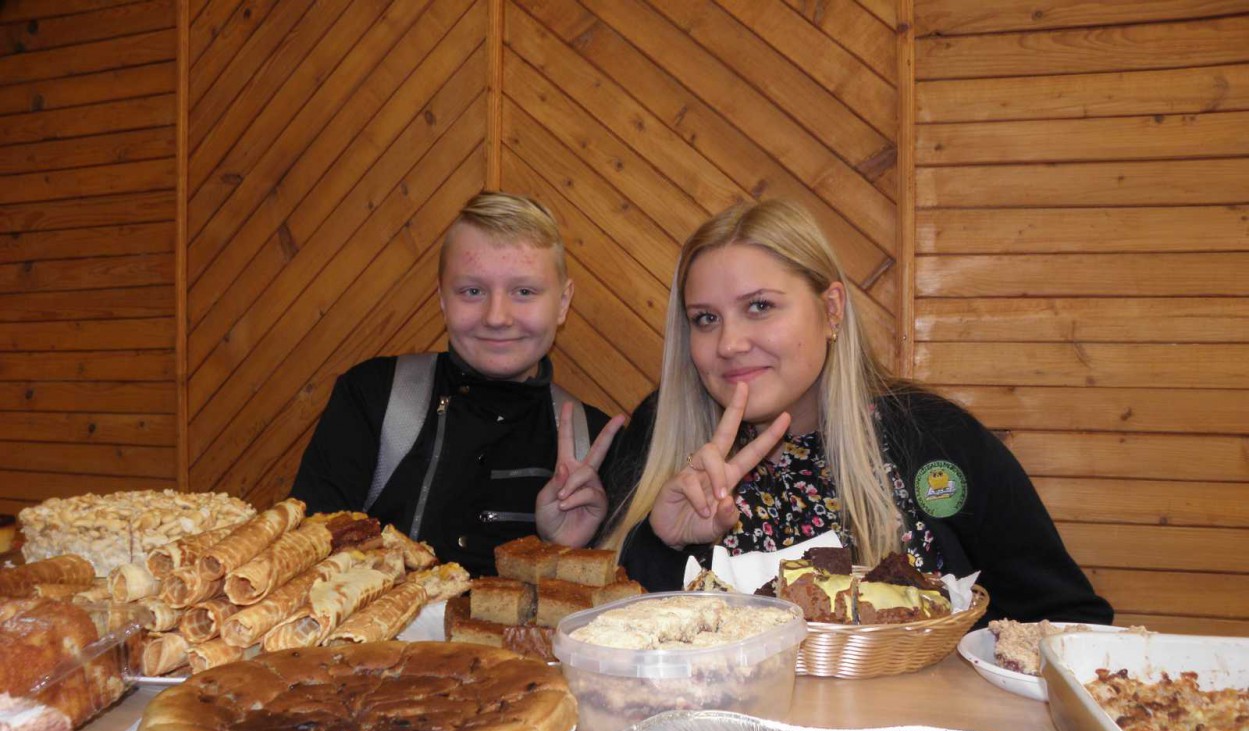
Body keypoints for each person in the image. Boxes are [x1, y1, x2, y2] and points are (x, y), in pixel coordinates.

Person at [600, 199, 1113, 626]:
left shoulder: (935, 438)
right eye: (705, 319)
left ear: (831, 310)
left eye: (760, 306)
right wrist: (662, 543)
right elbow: (608, 639)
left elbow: (1072, 622)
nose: (730, 343)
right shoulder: (655, 436)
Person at [291, 191, 623, 576]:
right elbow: (307, 561)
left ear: (563, 303)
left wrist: (563, 551)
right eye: (472, 291)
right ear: (442, 300)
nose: (496, 317)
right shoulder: (372, 398)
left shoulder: (597, 445)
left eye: (524, 292)